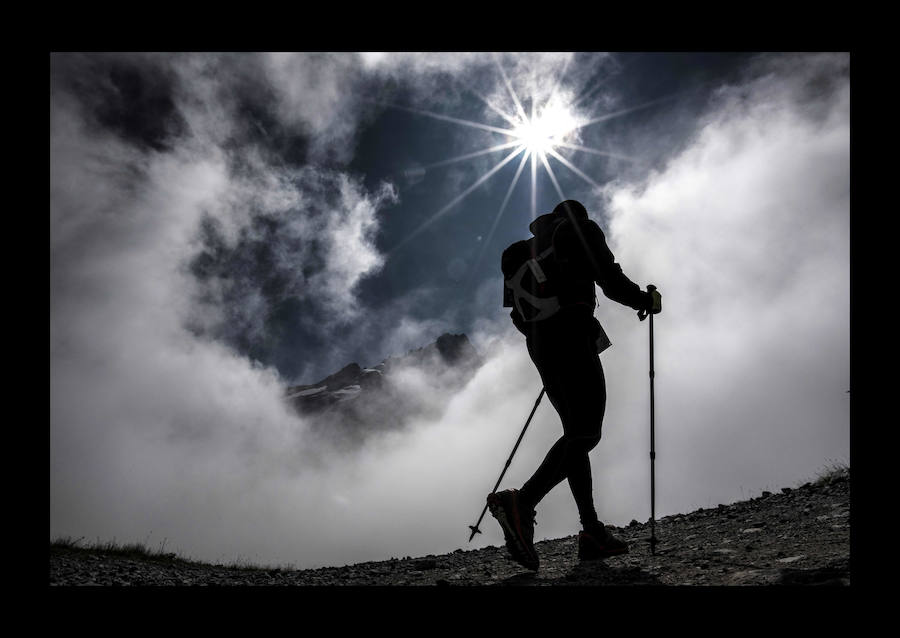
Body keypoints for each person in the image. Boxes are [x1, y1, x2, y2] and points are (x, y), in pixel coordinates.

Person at [488, 199, 661, 571]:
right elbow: (608, 277)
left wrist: (545, 336)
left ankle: (591, 532)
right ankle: (522, 502)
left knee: (574, 434)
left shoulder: (518, 253)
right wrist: (646, 300)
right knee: (586, 433)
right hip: (571, 335)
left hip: (540, 344)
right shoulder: (579, 229)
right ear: (576, 215)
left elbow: (516, 314)